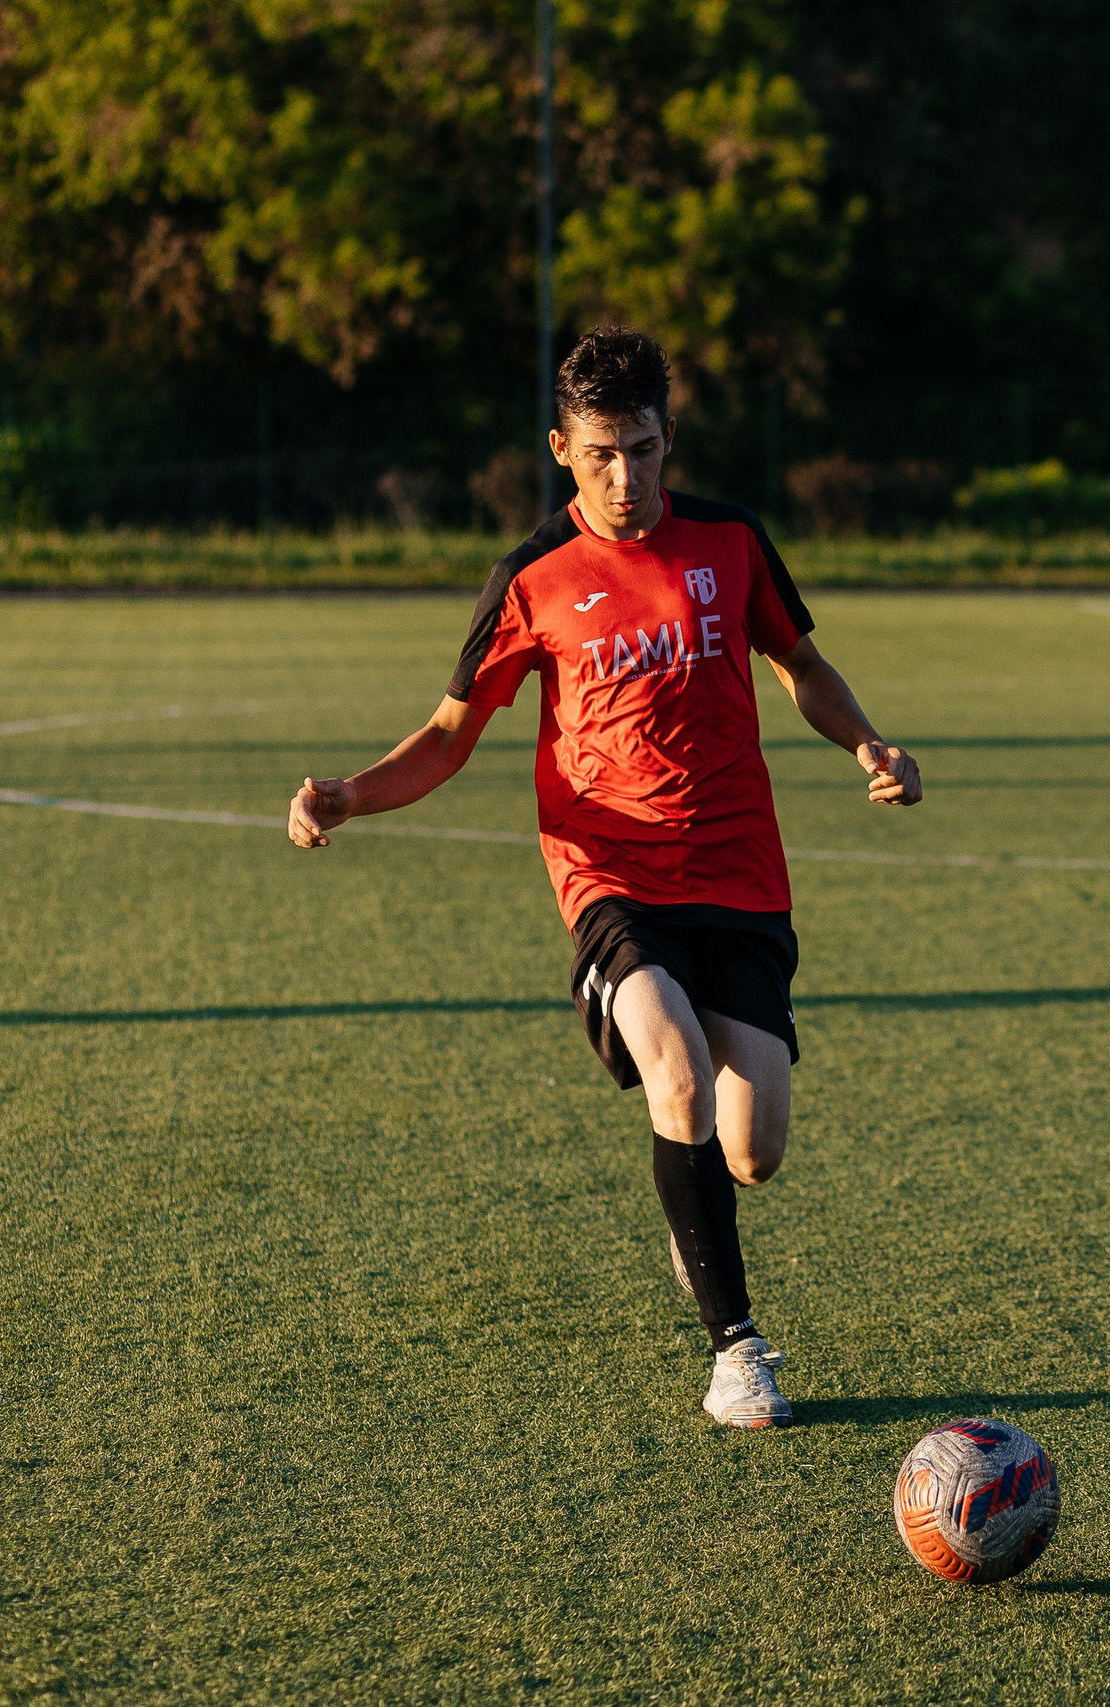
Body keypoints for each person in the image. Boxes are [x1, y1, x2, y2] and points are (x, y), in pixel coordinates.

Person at [285, 325, 923, 1429]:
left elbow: (802, 665)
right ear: (560, 450)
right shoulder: (531, 577)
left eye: (642, 449)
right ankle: (737, 1354)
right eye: (599, 456)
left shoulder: (731, 541)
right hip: (609, 870)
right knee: (675, 1073)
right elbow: (449, 735)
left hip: (738, 870)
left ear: (670, 436)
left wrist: (868, 742)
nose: (625, 478)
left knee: (753, 1149)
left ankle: (695, 1217)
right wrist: (352, 792)